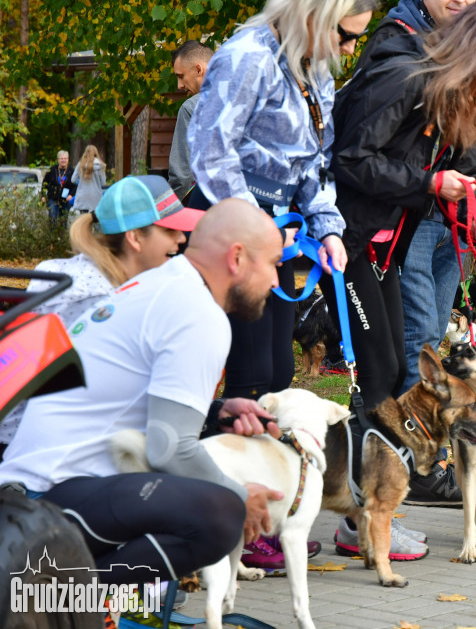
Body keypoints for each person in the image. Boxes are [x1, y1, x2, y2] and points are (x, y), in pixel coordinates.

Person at [187, 0, 376, 568]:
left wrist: (327, 228)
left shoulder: (312, 66)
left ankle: (258, 513)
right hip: (234, 229)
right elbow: (211, 151)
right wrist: (252, 230)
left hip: (283, 235)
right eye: (345, 33)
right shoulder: (248, 56)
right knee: (245, 375)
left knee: (272, 371)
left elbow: (313, 165)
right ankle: (227, 525)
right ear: (315, 13)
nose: (348, 46)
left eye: (356, 36)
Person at [0, 199, 285, 590]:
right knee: (221, 512)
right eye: (273, 263)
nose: (277, 281)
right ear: (236, 258)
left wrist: (215, 411)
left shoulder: (161, 284)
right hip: (44, 499)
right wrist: (241, 495)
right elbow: (169, 449)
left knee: (212, 502)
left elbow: (131, 402)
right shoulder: (198, 312)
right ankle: (50, 602)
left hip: (35, 492)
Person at [331, 1, 476, 553]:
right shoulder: (402, 78)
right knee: (376, 381)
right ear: (473, 54)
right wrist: (429, 185)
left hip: (384, 248)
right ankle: (362, 522)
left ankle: (369, 512)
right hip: (347, 241)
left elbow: (447, 173)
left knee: (397, 370)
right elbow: (350, 159)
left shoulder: (453, 97)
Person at [0, 175, 201, 453]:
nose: (181, 238)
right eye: (169, 230)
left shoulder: (63, 269)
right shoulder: (106, 301)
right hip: (40, 447)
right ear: (134, 238)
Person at [168, 40, 214, 199]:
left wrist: (174, 210)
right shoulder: (245, 96)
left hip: (207, 205)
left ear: (198, 69)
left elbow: (183, 175)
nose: (179, 85)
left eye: (181, 76)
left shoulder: (192, 108)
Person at [71, 145, 106, 216]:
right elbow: (103, 183)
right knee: (94, 219)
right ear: (96, 153)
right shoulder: (101, 166)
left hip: (82, 195)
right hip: (96, 196)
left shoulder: (80, 164)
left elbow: (73, 180)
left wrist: (80, 182)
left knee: (84, 219)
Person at [41, 149, 76, 220]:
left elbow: (75, 186)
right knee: (52, 218)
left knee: (63, 220)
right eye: (61, 158)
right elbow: (45, 183)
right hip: (53, 198)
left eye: (65, 158)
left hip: (66, 199)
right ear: (58, 160)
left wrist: (71, 195)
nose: (63, 160)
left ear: (68, 160)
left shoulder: (72, 171)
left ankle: (62, 231)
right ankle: (52, 231)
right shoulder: (52, 170)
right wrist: (43, 195)